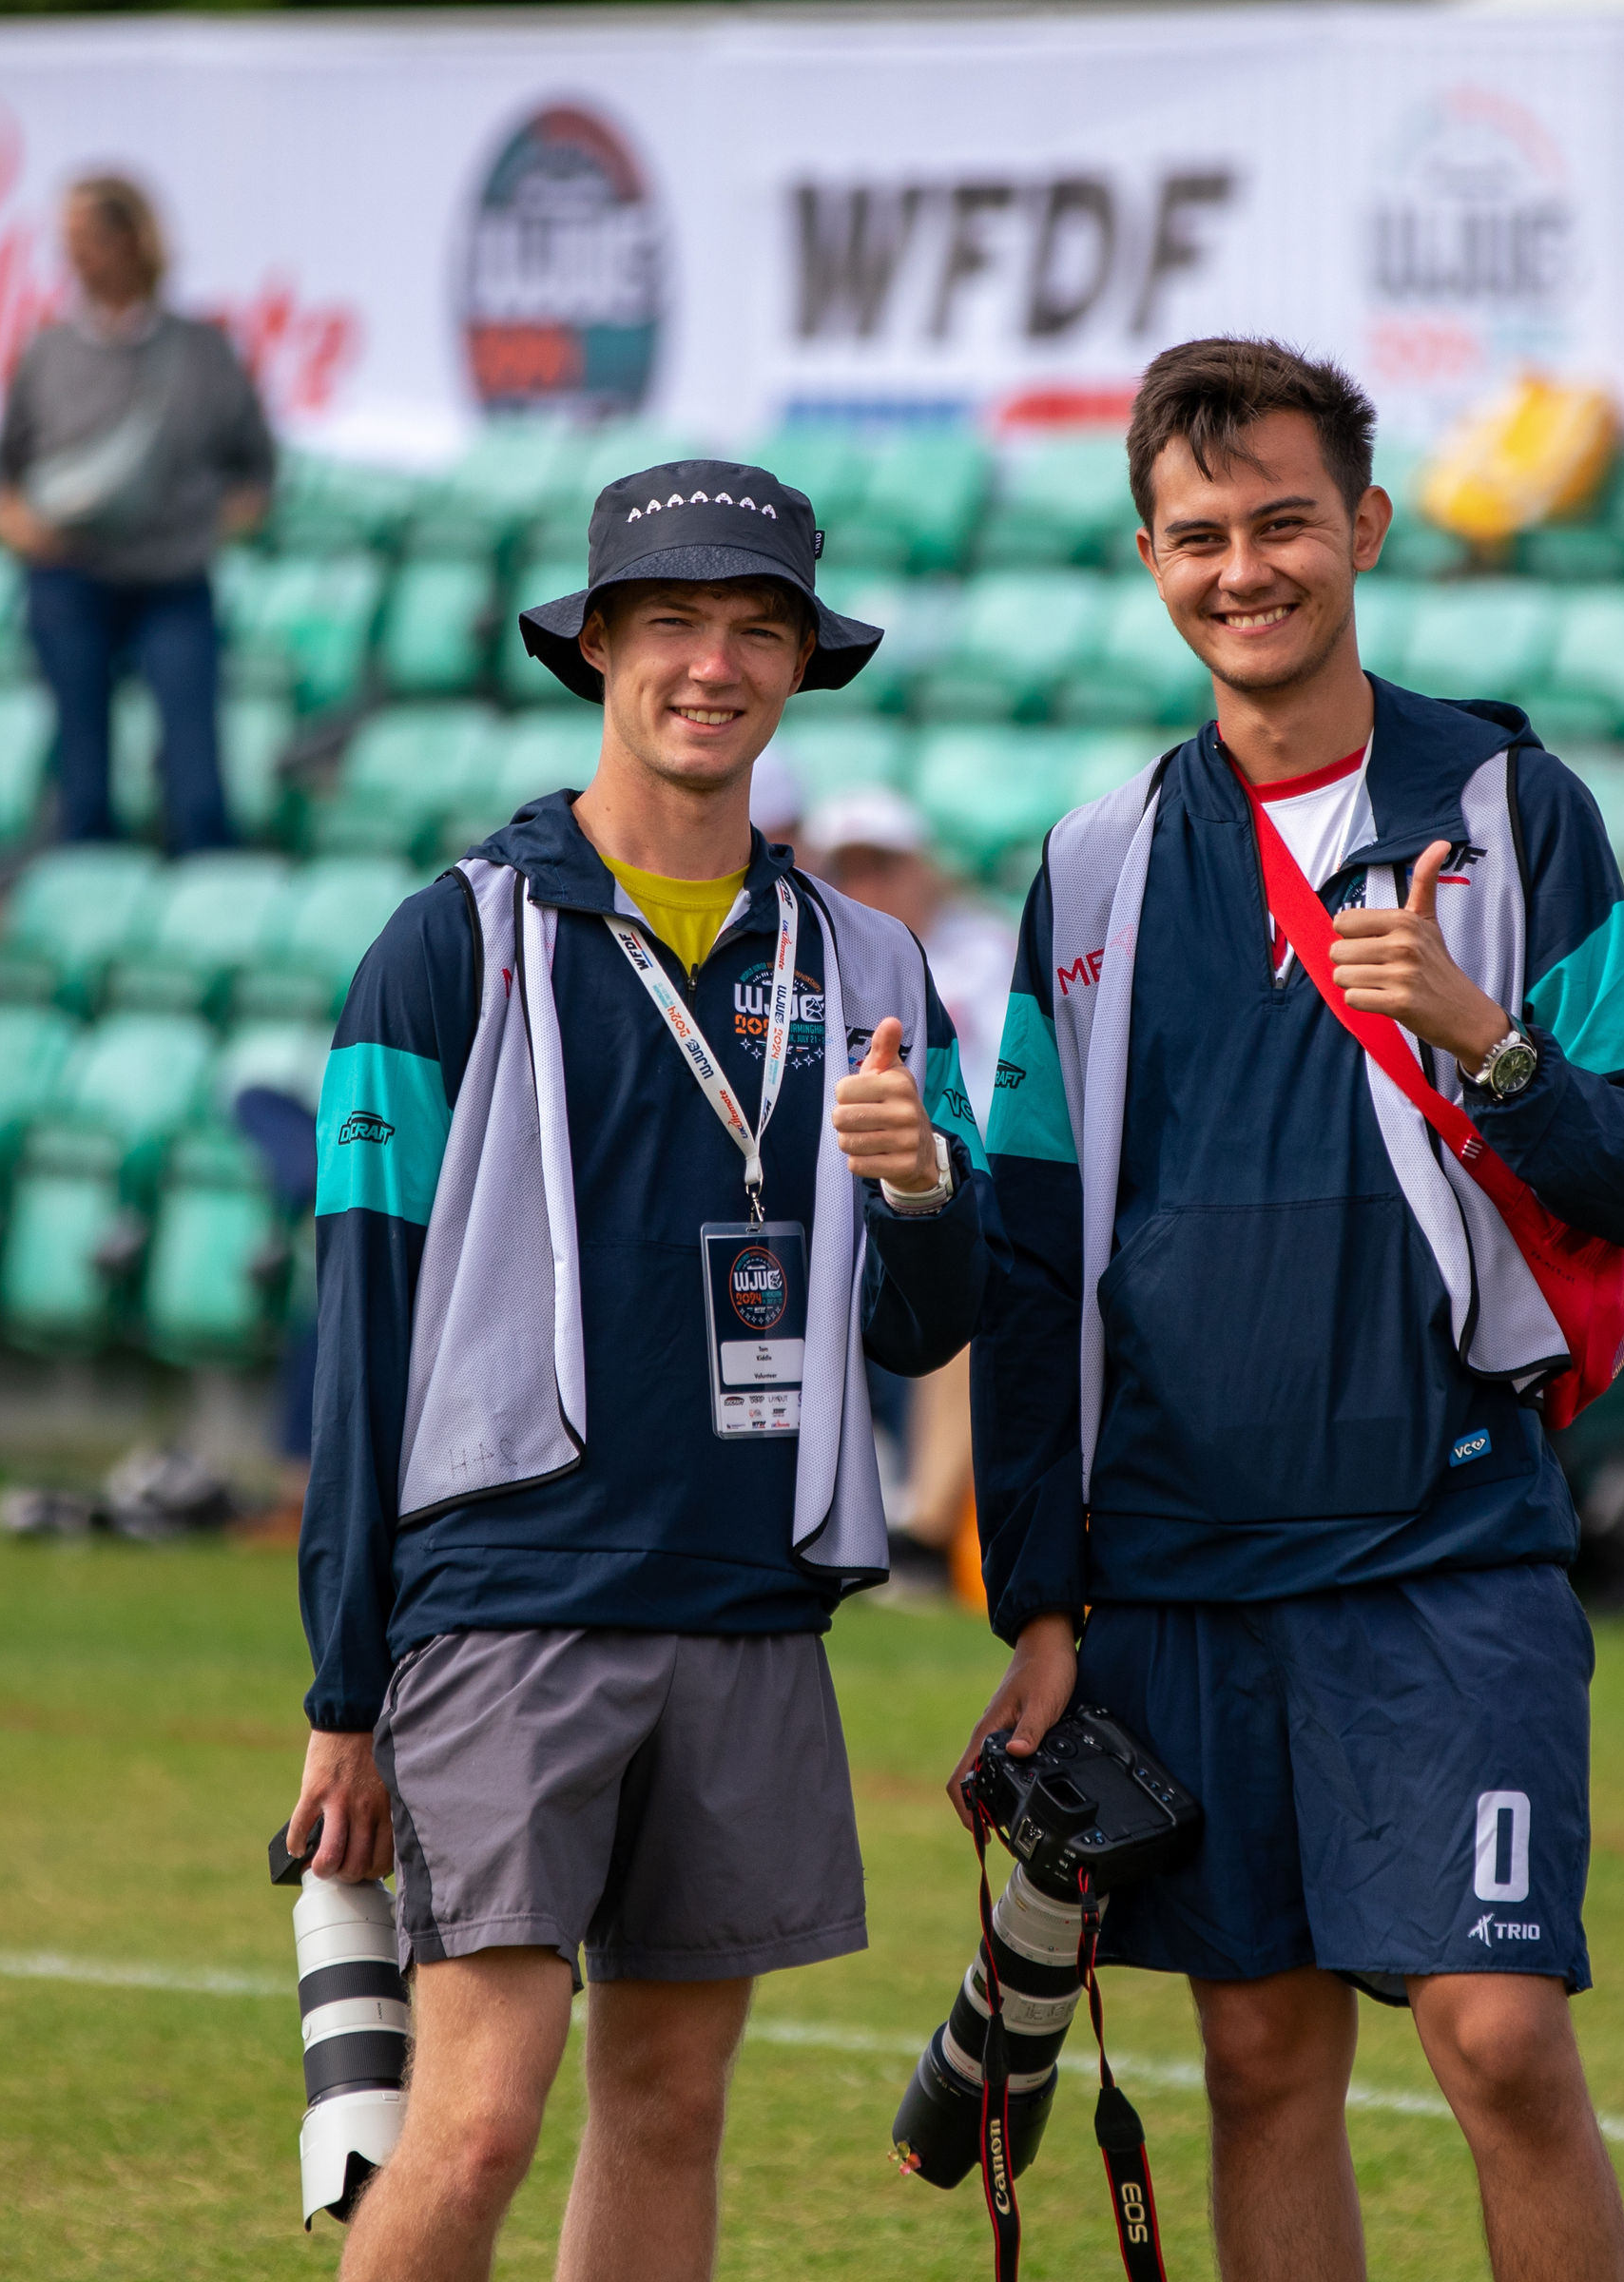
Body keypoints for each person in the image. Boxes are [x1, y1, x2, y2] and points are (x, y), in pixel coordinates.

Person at [967, 338, 1624, 2282]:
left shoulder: (1514, 810)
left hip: (1444, 1541)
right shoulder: (1096, 867)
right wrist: (1042, 1597)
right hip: (1181, 1571)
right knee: (1262, 2060)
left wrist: (1484, 1036)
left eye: (1284, 519)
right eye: (1199, 534)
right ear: (1148, 559)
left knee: (1499, 2038)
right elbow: (1036, 1261)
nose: (1246, 565)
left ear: (1364, 527)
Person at [281, 460, 988, 2282]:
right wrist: (341, 1684)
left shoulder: (875, 957)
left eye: (758, 630)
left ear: (801, 670)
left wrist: (918, 1188)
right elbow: (358, 1324)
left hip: (753, 1608)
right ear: (596, 646)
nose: (713, 665)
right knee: (481, 2121)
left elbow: (928, 1323)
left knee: (673, 2106)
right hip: (509, 1606)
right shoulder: (444, 947)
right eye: (672, 621)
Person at [0, 172, 275, 857]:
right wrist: (22, 529)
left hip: (173, 584)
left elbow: (256, 472)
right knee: (82, 782)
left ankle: (206, 910)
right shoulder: (48, 353)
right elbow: (3, 480)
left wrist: (202, 526)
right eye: (71, 244)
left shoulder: (201, 353)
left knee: (196, 781)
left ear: (135, 241)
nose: (80, 258)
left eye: (92, 240)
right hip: (70, 582)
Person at [804, 783, 1013, 1600]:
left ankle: (924, 1532)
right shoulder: (805, 957)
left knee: (954, 1270)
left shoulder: (982, 955)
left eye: (884, 866)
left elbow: (1004, 1097)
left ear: (924, 869)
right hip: (833, 1181)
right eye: (848, 869)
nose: (869, 887)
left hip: (952, 1169)